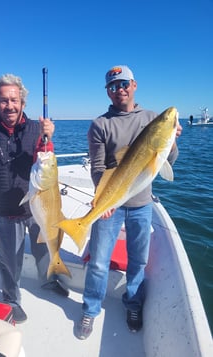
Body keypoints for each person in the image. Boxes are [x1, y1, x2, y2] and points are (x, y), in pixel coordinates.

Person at [75, 65, 182, 339]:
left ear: (134, 85)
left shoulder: (152, 118)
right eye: (113, 86)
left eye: (124, 84)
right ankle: (90, 309)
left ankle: (133, 304)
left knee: (138, 261)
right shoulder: (100, 124)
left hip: (142, 205)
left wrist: (171, 143)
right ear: (108, 92)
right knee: (98, 262)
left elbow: (166, 163)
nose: (119, 89)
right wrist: (103, 199)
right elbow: (98, 168)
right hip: (110, 204)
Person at [0, 74, 69, 324]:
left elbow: (45, 160)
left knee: (44, 250)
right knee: (9, 261)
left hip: (36, 207)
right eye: (3, 100)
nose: (9, 105)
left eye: (14, 100)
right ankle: (11, 300)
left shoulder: (37, 129)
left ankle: (48, 281)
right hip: (4, 211)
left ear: (23, 103)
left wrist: (49, 137)